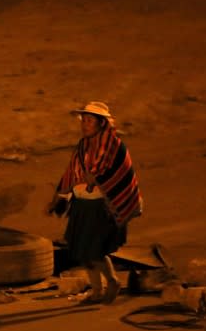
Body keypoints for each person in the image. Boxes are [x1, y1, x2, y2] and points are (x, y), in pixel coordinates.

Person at [46, 101, 143, 304]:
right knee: (82, 251)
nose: (85, 124)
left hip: (101, 206)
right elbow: (71, 172)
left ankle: (113, 281)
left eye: (90, 121)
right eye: (84, 120)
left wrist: (95, 178)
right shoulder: (84, 145)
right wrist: (59, 197)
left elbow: (113, 175)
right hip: (82, 203)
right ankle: (97, 291)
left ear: (101, 123)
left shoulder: (114, 146)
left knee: (94, 250)